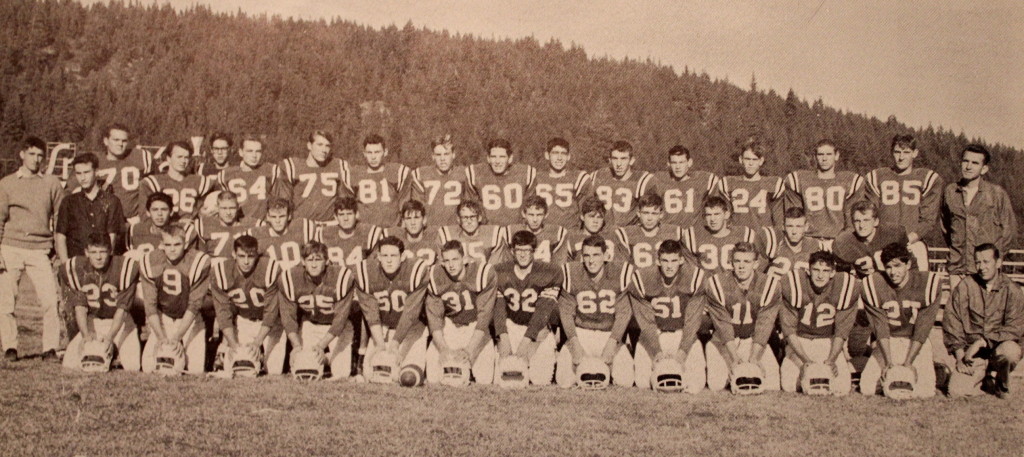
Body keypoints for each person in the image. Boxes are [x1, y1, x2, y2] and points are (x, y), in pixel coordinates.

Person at [0, 136, 66, 362]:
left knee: (49, 300)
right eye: (32, 154)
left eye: (40, 156)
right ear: (22, 154)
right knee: (7, 302)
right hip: (10, 247)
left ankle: (50, 348)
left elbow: (60, 218)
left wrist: (56, 249)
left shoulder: (51, 183)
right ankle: (10, 347)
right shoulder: (7, 183)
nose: (36, 159)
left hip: (40, 249)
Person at [279, 241, 378, 379]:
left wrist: (321, 346)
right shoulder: (291, 278)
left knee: (340, 374)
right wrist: (296, 345)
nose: (313, 264)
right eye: (309, 260)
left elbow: (340, 319)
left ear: (326, 261)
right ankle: (322, 360)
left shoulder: (341, 277)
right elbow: (288, 318)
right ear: (302, 261)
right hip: (311, 324)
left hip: (338, 330)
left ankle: (327, 359)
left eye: (318, 259)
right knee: (305, 366)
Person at [859, 243, 944, 398]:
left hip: (915, 341)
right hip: (888, 341)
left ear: (908, 264)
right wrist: (889, 363)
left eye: (898, 266)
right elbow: (880, 327)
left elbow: (923, 327)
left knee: (924, 392)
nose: (893, 272)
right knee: (867, 388)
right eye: (889, 267)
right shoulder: (874, 284)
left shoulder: (925, 284)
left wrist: (909, 363)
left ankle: (937, 369)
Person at [943, 244, 1024, 398]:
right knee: (955, 392)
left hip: (998, 350)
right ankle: (983, 377)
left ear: (998, 263)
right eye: (978, 262)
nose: (981, 267)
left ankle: (1000, 382)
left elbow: (1015, 328)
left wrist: (982, 341)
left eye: (986, 262)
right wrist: (960, 357)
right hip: (972, 355)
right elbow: (952, 322)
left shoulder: (1012, 290)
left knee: (1010, 352)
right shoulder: (966, 286)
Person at [702, 242, 782, 392]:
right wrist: (734, 358)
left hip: (753, 340)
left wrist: (754, 358)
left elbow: (764, 325)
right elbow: (723, 325)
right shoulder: (717, 283)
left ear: (756, 263)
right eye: (737, 261)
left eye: (747, 261)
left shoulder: (769, 285)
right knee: (717, 384)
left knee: (773, 385)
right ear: (731, 262)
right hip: (723, 341)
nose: (741, 266)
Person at [555, 235, 634, 388]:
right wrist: (575, 345)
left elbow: (624, 313)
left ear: (605, 256)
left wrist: (612, 344)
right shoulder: (571, 273)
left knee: (626, 380)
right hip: (581, 333)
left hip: (608, 333)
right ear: (582, 257)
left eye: (596, 255)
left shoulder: (620, 273)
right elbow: (566, 313)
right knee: (564, 381)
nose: (591, 261)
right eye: (587, 255)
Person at [777, 251, 859, 395]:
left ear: (833, 273)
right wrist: (805, 360)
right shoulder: (794, 284)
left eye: (825, 271)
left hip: (828, 341)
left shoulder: (845, 287)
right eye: (816, 270)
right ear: (808, 270)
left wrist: (832, 359)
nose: (820, 275)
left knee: (842, 387)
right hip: (800, 341)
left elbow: (841, 331)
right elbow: (789, 330)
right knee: (789, 385)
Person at [630, 240, 708, 392]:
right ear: (658, 261)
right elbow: (646, 322)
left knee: (696, 383)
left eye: (673, 261)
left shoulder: (695, 277)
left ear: (681, 260)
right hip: (655, 334)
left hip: (682, 334)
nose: (669, 266)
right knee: (642, 382)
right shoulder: (642, 278)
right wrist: (656, 351)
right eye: (665, 261)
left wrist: (683, 351)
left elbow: (692, 321)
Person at [416, 240, 497, 384]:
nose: (451, 265)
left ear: (465, 259)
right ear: (442, 262)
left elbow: (485, 316)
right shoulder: (435, 276)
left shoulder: (482, 273)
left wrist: (470, 350)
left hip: (476, 326)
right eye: (446, 261)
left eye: (455, 259)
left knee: (484, 379)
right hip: (451, 326)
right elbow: (435, 319)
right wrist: (443, 349)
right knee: (434, 377)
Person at [60, 234, 141, 372]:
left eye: (102, 252)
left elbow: (122, 309)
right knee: (69, 364)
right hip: (93, 321)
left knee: (133, 366)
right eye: (93, 252)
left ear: (110, 251)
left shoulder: (123, 267)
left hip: (120, 322)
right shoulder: (79, 268)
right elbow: (80, 307)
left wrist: (110, 338)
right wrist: (85, 334)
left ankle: (115, 352)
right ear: (86, 252)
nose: (98, 257)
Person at [492, 230, 563, 385]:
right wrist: (503, 339)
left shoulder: (549, 271)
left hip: (538, 330)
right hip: (511, 326)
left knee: (540, 380)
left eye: (527, 250)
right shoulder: (499, 271)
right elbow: (498, 310)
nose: (523, 255)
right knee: (500, 378)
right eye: (519, 250)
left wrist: (525, 347)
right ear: (512, 251)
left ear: (534, 251)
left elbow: (542, 312)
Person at [355, 236, 432, 379]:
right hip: (382, 330)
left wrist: (395, 344)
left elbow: (410, 312)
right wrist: (379, 344)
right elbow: (371, 314)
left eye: (393, 255)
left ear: (402, 256)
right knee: (371, 375)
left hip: (410, 330)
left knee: (408, 377)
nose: (389, 260)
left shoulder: (416, 270)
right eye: (384, 255)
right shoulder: (365, 272)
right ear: (378, 256)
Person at [139, 224, 212, 374]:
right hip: (164, 318)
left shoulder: (198, 261)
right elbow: (150, 305)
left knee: (196, 369)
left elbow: (194, 305)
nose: (172, 249)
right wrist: (161, 337)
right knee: (148, 367)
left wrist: (177, 337)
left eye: (177, 244)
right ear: (161, 245)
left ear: (185, 244)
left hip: (190, 320)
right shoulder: (150, 261)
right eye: (168, 245)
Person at [209, 235, 285, 375]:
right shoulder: (221, 272)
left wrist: (257, 343)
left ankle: (263, 358)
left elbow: (271, 311)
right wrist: (232, 344)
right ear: (233, 254)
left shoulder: (269, 269)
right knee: (238, 368)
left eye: (250, 256)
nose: (246, 261)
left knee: (274, 371)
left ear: (256, 255)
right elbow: (222, 313)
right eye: (241, 256)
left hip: (272, 325)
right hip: (244, 321)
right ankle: (224, 350)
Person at [864, 135, 942, 269]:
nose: (901, 157)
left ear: (915, 153)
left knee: (918, 284)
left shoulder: (926, 179)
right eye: (897, 152)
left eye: (906, 152)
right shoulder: (877, 177)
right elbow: (870, 216)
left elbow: (928, 220)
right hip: (883, 243)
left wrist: (909, 238)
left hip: (913, 242)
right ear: (891, 152)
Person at [941, 144, 1017, 283]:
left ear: (984, 169)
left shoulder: (996, 194)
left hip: (985, 270)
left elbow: (1009, 232)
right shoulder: (950, 192)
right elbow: (946, 228)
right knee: (957, 304)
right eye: (966, 161)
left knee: (986, 305)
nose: (968, 166)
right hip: (957, 268)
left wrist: (992, 260)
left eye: (975, 163)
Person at [783, 139, 865, 250]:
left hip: (838, 241)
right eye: (820, 154)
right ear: (815, 156)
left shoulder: (850, 181)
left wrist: (844, 240)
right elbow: (795, 217)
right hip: (809, 241)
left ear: (836, 155)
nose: (824, 158)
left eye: (829, 154)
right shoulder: (800, 179)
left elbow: (852, 220)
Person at [56, 153, 125, 263]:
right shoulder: (68, 202)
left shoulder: (112, 201)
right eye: (78, 173)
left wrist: (104, 264)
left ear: (96, 172)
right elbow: (61, 236)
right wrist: (65, 266)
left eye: (86, 172)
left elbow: (113, 237)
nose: (82, 178)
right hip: (75, 262)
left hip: (102, 263)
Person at [637, 145, 721, 229]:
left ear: (689, 162)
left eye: (681, 162)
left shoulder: (703, 180)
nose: (678, 167)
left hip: (693, 231)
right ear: (668, 164)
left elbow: (718, 205)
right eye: (674, 163)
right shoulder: (658, 180)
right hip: (667, 232)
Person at [275, 131, 346, 224]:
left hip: (329, 225)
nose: (324, 150)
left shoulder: (338, 165)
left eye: (327, 146)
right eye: (319, 144)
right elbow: (283, 201)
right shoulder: (293, 166)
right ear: (309, 145)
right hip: (300, 225)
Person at [341, 134, 411, 228]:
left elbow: (405, 203)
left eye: (377, 152)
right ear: (364, 153)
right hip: (364, 230)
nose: (373, 157)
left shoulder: (397, 172)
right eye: (369, 152)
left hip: (391, 228)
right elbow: (347, 206)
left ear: (385, 152)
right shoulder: (354, 174)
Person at [90, 124, 153, 226]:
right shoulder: (93, 160)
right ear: (106, 141)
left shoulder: (141, 157)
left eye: (124, 141)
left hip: (133, 220)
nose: (120, 144)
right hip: (102, 221)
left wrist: (143, 215)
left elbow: (157, 185)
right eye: (116, 140)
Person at [466, 138, 536, 227]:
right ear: (488, 158)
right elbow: (472, 205)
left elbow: (530, 205)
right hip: (488, 230)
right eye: (493, 157)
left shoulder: (525, 173)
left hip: (517, 229)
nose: (497, 161)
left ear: (510, 158)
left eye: (502, 157)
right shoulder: (476, 174)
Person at [140, 141, 215, 222]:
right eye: (179, 157)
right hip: (165, 230)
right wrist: (175, 223)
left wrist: (201, 213)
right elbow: (145, 216)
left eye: (186, 157)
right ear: (168, 158)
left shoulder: (199, 181)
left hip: (192, 229)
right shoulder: (152, 182)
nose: (183, 161)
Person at [681, 196, 759, 273]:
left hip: (734, 283)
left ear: (726, 214)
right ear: (704, 217)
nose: (712, 219)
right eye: (708, 215)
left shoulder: (744, 235)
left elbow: (757, 263)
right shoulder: (694, 235)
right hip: (705, 284)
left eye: (717, 214)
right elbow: (690, 270)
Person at [721, 139, 785, 231]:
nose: (750, 163)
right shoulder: (729, 184)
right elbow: (724, 217)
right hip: (738, 236)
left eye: (754, 159)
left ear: (761, 161)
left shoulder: (773, 184)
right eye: (747, 159)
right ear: (740, 159)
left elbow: (778, 219)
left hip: (763, 236)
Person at [585, 141, 651, 229]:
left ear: (631, 160)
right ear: (609, 160)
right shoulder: (598, 176)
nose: (619, 164)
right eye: (615, 158)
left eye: (623, 159)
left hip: (628, 234)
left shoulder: (642, 180)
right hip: (602, 232)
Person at [216, 135, 278, 222]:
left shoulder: (271, 170)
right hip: (237, 226)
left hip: (261, 226)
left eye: (258, 151)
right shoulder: (226, 174)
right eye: (250, 151)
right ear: (241, 152)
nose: (254, 155)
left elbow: (280, 202)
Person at [410, 135, 467, 228]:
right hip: (430, 229)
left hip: (456, 229)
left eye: (446, 154)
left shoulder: (464, 174)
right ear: (433, 156)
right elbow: (417, 208)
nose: (442, 159)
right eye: (438, 155)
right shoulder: (421, 174)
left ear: (453, 154)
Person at [532, 137, 590, 229]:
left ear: (568, 156)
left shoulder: (578, 178)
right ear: (547, 155)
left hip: (570, 232)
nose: (559, 158)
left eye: (563, 153)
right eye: (555, 153)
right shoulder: (536, 178)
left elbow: (587, 210)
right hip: (543, 233)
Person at [615, 193, 682, 270]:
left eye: (654, 213)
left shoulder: (673, 232)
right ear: (638, 213)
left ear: (661, 215)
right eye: (646, 213)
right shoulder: (626, 234)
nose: (649, 218)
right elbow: (622, 266)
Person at [251, 198, 318, 270]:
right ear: (268, 217)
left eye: (282, 216)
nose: (277, 221)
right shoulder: (257, 235)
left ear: (289, 216)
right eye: (273, 217)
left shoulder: (302, 227)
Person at [318, 197, 384, 269]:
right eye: (341, 214)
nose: (345, 218)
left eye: (349, 214)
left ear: (356, 215)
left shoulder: (368, 232)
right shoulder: (325, 234)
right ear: (336, 217)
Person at [502, 195, 567, 264]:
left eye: (539, 215)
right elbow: (507, 265)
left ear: (546, 215)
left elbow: (559, 266)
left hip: (546, 273)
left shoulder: (556, 233)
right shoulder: (511, 232)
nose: (535, 220)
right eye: (531, 215)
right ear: (524, 214)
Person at [191, 190, 254, 259]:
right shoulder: (203, 224)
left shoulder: (249, 226)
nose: (228, 213)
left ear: (238, 207)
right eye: (224, 208)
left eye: (232, 208)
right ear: (217, 208)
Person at [438, 200, 503, 265]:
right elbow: (442, 264)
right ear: (458, 219)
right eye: (465, 218)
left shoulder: (492, 234)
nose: (469, 221)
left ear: (479, 218)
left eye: (472, 217)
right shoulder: (447, 235)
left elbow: (496, 266)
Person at [763, 207, 822, 275]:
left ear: (806, 227)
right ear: (783, 226)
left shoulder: (815, 246)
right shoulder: (773, 243)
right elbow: (759, 274)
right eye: (790, 226)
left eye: (799, 226)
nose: (794, 231)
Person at [128, 193, 184, 259]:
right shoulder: (134, 230)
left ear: (171, 212)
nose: (159, 214)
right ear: (148, 212)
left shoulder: (179, 232)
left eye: (164, 209)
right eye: (155, 210)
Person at [565, 196, 617, 262]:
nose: (595, 221)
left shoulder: (611, 237)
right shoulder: (572, 239)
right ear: (582, 217)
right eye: (591, 216)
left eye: (599, 217)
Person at [385, 200, 437, 265]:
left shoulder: (435, 238)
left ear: (424, 220)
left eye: (416, 218)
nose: (413, 223)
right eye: (408, 218)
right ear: (403, 221)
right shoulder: (396, 240)